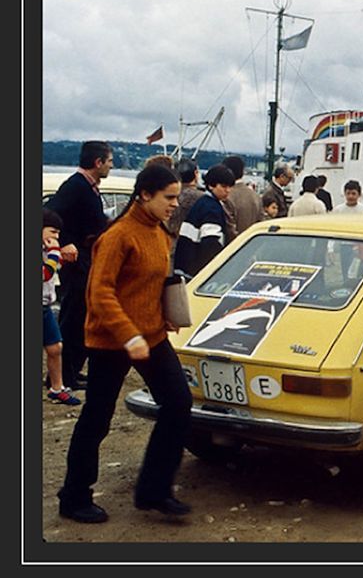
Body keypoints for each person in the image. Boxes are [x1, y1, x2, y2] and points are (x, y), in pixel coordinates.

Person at [58, 164, 193, 524]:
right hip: (111, 340)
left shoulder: (160, 232)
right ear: (144, 195)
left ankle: (155, 490)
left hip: (151, 335)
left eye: (177, 197)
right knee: (97, 418)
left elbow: (151, 283)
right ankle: (74, 497)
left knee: (179, 403)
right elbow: (99, 294)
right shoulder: (117, 236)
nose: (175, 205)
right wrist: (128, 334)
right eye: (169, 197)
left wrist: (166, 315)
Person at [44, 140, 114, 390]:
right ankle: (63, 376)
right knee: (74, 317)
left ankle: (72, 369)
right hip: (76, 262)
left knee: (81, 316)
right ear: (98, 163)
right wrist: (63, 242)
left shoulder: (89, 187)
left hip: (87, 257)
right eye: (109, 161)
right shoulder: (76, 186)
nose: (112, 166)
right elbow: (48, 215)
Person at [43, 208, 81, 406]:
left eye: (58, 233)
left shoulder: (47, 251)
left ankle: (57, 388)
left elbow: (54, 270)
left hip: (45, 306)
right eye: (52, 232)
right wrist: (55, 252)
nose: (56, 237)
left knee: (55, 346)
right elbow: (45, 273)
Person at [174, 164, 235, 279]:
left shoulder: (202, 202)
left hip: (184, 264)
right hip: (198, 269)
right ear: (211, 185)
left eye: (230, 187)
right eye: (224, 186)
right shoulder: (212, 208)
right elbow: (211, 243)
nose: (228, 190)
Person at [220, 156, 264, 240]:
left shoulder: (226, 196)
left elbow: (229, 230)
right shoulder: (255, 196)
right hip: (252, 244)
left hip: (232, 246)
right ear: (242, 172)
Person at [166, 159, 203, 246]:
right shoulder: (202, 198)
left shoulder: (167, 194)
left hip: (167, 244)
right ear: (195, 174)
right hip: (189, 248)